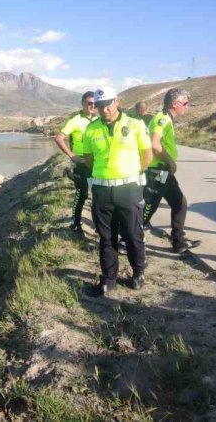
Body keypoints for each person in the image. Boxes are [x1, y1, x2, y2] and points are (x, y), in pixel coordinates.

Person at [81, 86, 153, 295]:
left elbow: (146, 154)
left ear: (117, 102)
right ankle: (108, 279)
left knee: (132, 234)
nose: (104, 110)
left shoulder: (135, 124)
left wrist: (133, 173)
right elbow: (89, 158)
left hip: (129, 188)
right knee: (106, 238)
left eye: (108, 104)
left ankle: (138, 273)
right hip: (103, 190)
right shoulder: (91, 129)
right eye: (100, 106)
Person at [141, 88, 202, 253]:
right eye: (185, 103)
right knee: (150, 206)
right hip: (158, 170)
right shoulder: (162, 119)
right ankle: (128, 240)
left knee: (178, 203)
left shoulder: (165, 118)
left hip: (162, 171)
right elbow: (155, 144)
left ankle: (178, 241)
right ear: (175, 104)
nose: (186, 107)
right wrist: (170, 162)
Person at [54, 91, 97, 232]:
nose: (92, 106)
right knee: (82, 194)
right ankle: (75, 224)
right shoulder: (75, 120)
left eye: (94, 103)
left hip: (97, 163)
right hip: (81, 163)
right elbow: (59, 138)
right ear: (83, 104)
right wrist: (72, 156)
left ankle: (99, 226)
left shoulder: (98, 120)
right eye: (89, 103)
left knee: (98, 196)